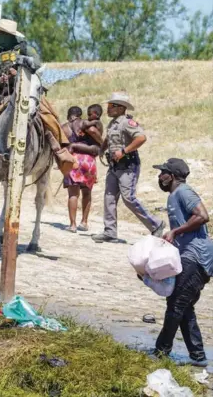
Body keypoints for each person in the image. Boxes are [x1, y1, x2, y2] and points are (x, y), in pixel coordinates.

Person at [0, 18, 76, 176]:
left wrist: (20, 70)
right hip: (3, 96)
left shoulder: (25, 48)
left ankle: (59, 150)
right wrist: (1, 79)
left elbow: (38, 66)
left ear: (7, 34)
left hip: (29, 93)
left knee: (49, 116)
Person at [151, 158, 212, 367]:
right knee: (184, 306)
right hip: (188, 256)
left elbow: (203, 216)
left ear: (173, 176)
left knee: (176, 304)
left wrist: (176, 231)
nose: (160, 177)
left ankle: (161, 351)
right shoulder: (174, 196)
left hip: (197, 257)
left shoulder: (184, 192)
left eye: (163, 173)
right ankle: (198, 356)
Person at [92, 92, 164, 243]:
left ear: (120, 108)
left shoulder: (127, 122)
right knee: (109, 198)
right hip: (114, 166)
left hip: (128, 166)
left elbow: (141, 137)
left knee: (129, 198)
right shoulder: (113, 123)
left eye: (111, 106)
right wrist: (102, 148)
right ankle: (110, 232)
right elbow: (109, 138)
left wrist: (124, 151)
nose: (108, 109)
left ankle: (156, 224)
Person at [61, 104, 103, 232]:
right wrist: (102, 144)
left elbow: (60, 144)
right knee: (87, 192)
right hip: (88, 160)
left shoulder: (64, 127)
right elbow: (94, 132)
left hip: (73, 160)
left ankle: (72, 225)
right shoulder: (85, 123)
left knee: (73, 194)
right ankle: (84, 222)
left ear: (69, 116)